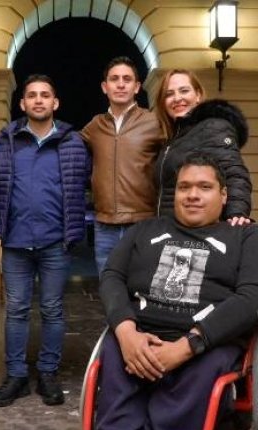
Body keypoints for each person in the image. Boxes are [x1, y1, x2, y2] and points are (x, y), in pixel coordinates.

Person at [81, 154, 258, 430]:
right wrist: (126, 330)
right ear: (173, 194)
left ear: (223, 195)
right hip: (142, 329)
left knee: (208, 363)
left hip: (209, 337)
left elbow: (257, 295)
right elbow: (113, 275)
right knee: (114, 349)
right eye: (184, 187)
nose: (192, 195)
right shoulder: (144, 230)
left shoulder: (248, 238)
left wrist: (190, 344)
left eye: (204, 187)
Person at [0, 74, 90, 407]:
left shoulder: (73, 142)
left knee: (52, 309)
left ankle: (48, 373)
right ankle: (16, 376)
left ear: (55, 102)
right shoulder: (6, 139)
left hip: (55, 242)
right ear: (22, 103)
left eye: (45, 95)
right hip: (16, 242)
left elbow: (86, 182)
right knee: (16, 310)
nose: (38, 100)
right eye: (32, 95)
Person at [81, 56, 164, 273]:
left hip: (143, 223)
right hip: (104, 226)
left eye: (127, 79)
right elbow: (69, 150)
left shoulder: (154, 122)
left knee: (143, 288)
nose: (120, 84)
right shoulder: (95, 126)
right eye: (114, 79)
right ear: (104, 87)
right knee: (109, 287)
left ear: (137, 87)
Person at [154, 69, 252, 226]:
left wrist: (236, 213)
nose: (177, 98)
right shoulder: (174, 138)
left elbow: (234, 172)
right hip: (170, 228)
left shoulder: (213, 126)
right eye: (169, 94)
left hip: (196, 230)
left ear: (198, 95)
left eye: (184, 91)